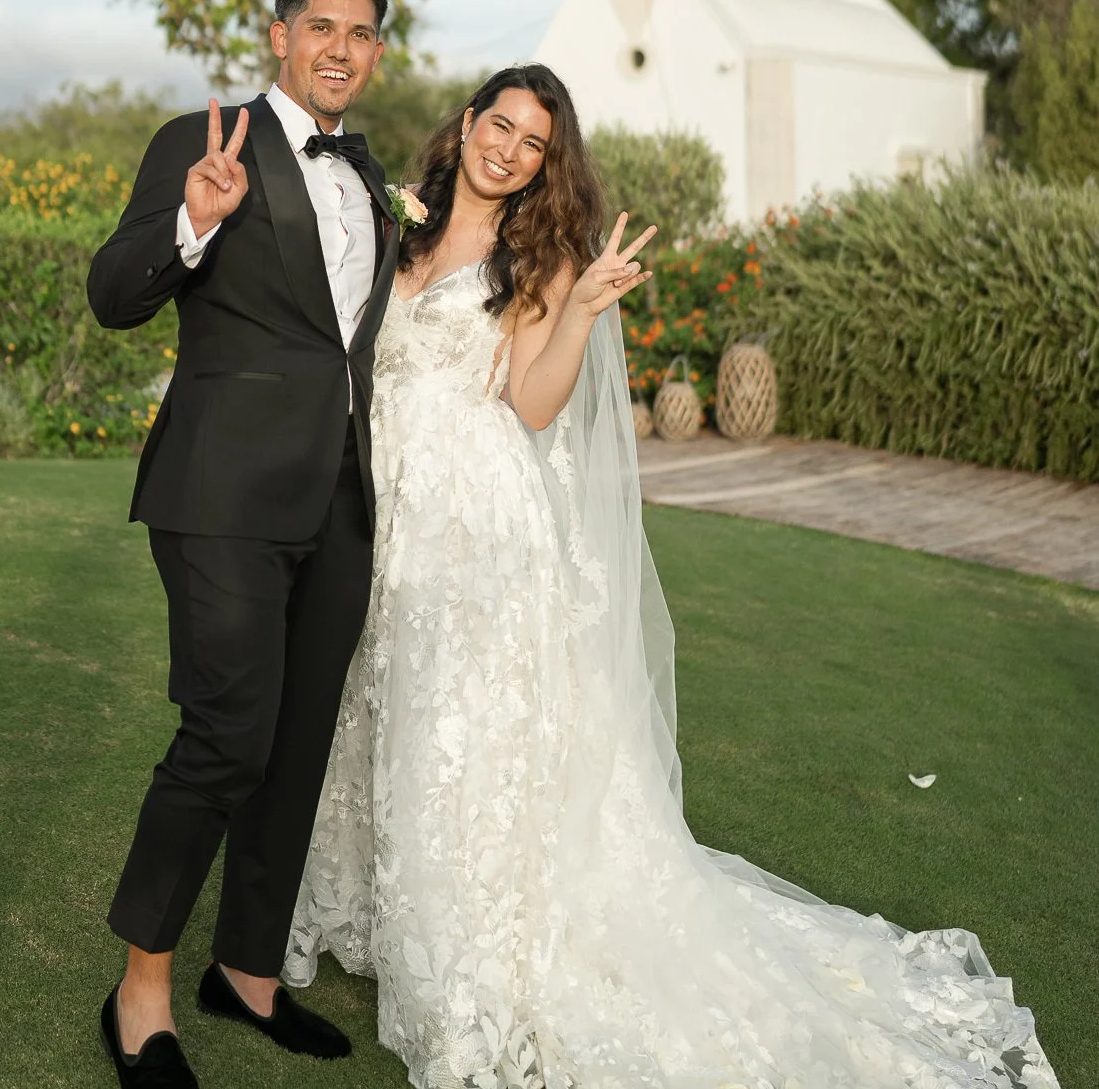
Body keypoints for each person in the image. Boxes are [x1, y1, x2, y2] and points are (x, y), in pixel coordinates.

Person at [287, 62, 1059, 1089]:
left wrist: (580, 310)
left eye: (533, 143)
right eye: (500, 124)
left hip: (478, 522)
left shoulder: (540, 257)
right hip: (386, 512)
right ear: (468, 121)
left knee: (460, 722)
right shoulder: (402, 227)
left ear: (544, 164)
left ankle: (469, 941)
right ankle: (380, 907)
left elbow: (531, 403)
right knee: (384, 701)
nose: (508, 148)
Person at [87, 0, 400, 1089]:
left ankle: (250, 971)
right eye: (320, 24)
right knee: (227, 732)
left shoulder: (371, 180)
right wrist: (191, 219)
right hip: (220, 496)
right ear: (279, 35)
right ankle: (143, 993)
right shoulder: (201, 137)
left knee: (298, 739)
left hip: (342, 503)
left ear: (376, 52)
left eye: (361, 32)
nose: (339, 47)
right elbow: (115, 291)